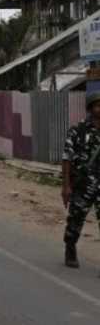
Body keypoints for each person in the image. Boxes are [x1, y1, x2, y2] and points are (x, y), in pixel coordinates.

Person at [62, 91, 100, 270]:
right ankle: (70, 248)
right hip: (83, 183)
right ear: (91, 108)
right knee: (76, 218)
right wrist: (66, 186)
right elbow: (67, 158)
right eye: (97, 105)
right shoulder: (77, 130)